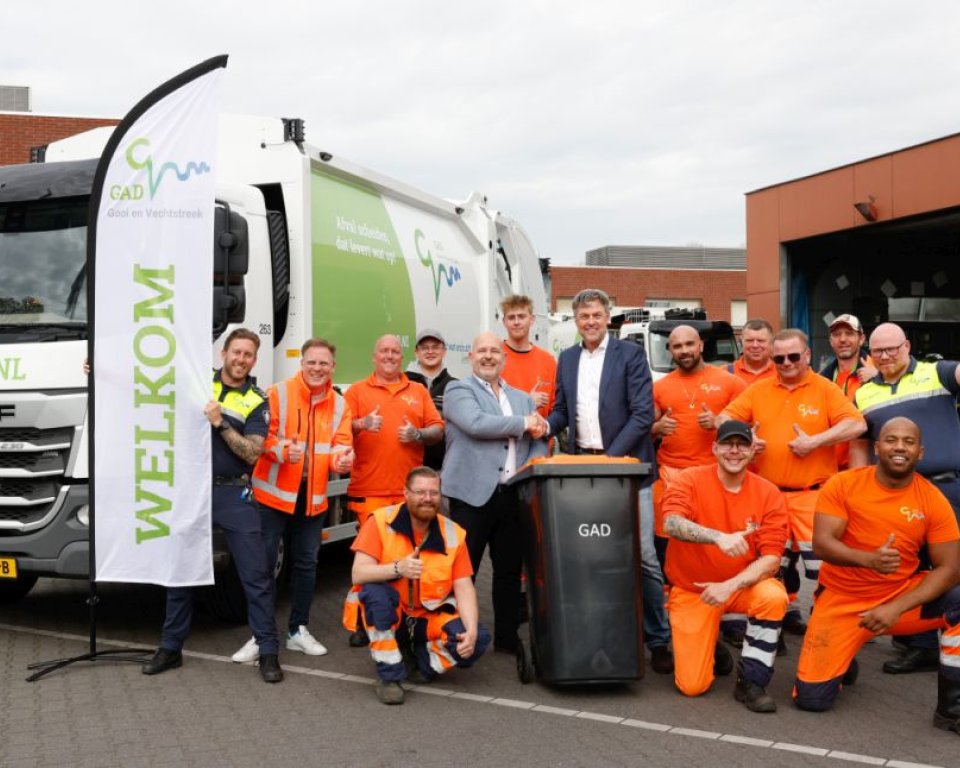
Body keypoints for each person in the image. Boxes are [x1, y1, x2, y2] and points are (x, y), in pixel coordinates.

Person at [794, 417, 960, 734]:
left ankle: (952, 711)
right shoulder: (843, 484)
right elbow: (822, 544)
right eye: (891, 439)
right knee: (812, 700)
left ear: (920, 452)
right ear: (876, 447)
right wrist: (869, 559)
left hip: (900, 600)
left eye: (909, 442)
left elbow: (950, 569)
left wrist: (895, 608)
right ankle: (844, 656)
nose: (900, 447)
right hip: (842, 601)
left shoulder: (933, 499)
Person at [142, 328, 283, 683]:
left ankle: (268, 652)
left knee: (256, 575)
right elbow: (148, 382)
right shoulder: (198, 381)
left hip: (232, 493)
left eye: (248, 354)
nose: (241, 359)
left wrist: (220, 424)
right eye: (236, 352)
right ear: (224, 353)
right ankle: (170, 648)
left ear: (255, 359)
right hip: (191, 490)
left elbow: (252, 452)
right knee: (181, 573)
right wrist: (100, 371)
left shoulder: (256, 400)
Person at [547, 288, 673, 674]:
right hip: (584, 468)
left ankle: (659, 639)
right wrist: (539, 426)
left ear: (608, 317)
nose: (591, 322)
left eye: (597, 315)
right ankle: (600, 634)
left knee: (645, 557)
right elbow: (562, 410)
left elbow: (640, 415)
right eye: (584, 316)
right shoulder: (566, 359)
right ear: (576, 320)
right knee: (592, 556)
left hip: (630, 468)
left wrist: (611, 458)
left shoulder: (630, 355)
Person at [720, 328, 866, 644]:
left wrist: (816, 441)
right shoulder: (759, 390)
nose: (786, 363)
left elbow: (857, 424)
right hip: (769, 496)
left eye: (793, 356)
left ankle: (826, 632)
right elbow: (723, 419)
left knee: (821, 571)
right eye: (779, 358)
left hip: (813, 496)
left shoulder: (824, 389)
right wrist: (745, 437)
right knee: (772, 566)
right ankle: (774, 626)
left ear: (807, 355)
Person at [229, 338, 355, 664]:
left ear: (333, 368)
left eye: (323, 364)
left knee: (306, 565)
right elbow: (261, 438)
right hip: (272, 496)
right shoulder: (277, 393)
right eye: (311, 362)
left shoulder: (339, 404)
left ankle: (298, 630)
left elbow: (340, 443)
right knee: (264, 565)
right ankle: (260, 635)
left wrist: (342, 459)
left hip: (311, 499)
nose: (317, 368)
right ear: (302, 363)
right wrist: (283, 450)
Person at [849, 321, 960, 673]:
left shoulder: (937, 373)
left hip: (947, 488)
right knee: (914, 567)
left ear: (907, 347)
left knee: (952, 567)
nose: (885, 356)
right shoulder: (863, 393)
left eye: (892, 349)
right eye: (878, 351)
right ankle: (924, 645)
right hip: (898, 492)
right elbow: (861, 447)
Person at [662, 420, 789, 712]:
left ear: (753, 450)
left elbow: (772, 558)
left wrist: (729, 585)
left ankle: (752, 681)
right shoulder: (689, 480)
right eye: (728, 444)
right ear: (715, 448)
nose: (735, 451)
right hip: (695, 589)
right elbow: (671, 523)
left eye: (742, 444)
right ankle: (711, 646)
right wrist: (717, 537)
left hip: (740, 585)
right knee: (692, 687)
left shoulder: (768, 492)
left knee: (773, 596)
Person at [441, 331, 549, 653]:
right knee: (464, 570)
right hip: (470, 496)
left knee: (508, 570)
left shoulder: (522, 398)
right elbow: (476, 424)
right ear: (470, 357)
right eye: (481, 351)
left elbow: (539, 439)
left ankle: (506, 636)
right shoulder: (458, 390)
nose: (488, 356)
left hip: (512, 495)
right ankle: (455, 633)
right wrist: (525, 422)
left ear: (503, 359)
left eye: (494, 352)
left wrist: (525, 468)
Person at [346, 467, 491, 705]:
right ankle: (389, 675)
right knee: (375, 594)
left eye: (434, 493)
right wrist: (398, 569)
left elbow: (464, 586)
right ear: (405, 493)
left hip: (427, 618)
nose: (427, 498)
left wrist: (471, 630)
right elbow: (358, 573)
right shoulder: (381, 521)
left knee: (478, 640)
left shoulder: (453, 533)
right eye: (420, 492)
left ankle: (422, 663)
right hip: (395, 616)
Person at [344, 334, 444, 646]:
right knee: (372, 560)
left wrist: (418, 433)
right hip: (369, 490)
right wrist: (361, 424)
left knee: (406, 558)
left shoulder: (417, 390)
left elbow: (438, 430)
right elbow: (338, 430)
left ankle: (400, 618)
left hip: (408, 494)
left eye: (395, 352)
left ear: (402, 358)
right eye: (384, 351)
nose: (389, 356)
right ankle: (363, 620)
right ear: (374, 357)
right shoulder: (357, 392)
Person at [818, 314, 874, 470]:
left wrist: (880, 378)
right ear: (831, 341)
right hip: (831, 469)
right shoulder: (821, 380)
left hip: (868, 467)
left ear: (861, 339)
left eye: (849, 333)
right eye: (837, 335)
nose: (842, 340)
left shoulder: (878, 370)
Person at [406, 329, 456, 471]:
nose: (430, 352)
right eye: (425, 348)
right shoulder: (402, 382)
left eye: (435, 347)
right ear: (416, 352)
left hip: (442, 467)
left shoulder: (455, 386)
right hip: (407, 466)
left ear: (444, 351)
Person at [500, 294, 557, 419]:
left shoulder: (548, 361)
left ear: (532, 319)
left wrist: (547, 431)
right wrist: (527, 403)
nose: (516, 322)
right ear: (504, 322)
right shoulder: (494, 358)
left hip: (540, 437)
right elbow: (486, 408)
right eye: (511, 317)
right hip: (505, 436)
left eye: (521, 316)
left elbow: (557, 409)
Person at [727, 319, 777, 384]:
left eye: (760, 340)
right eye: (749, 340)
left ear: (771, 343)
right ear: (741, 341)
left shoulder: (783, 372)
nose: (755, 345)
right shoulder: (725, 373)